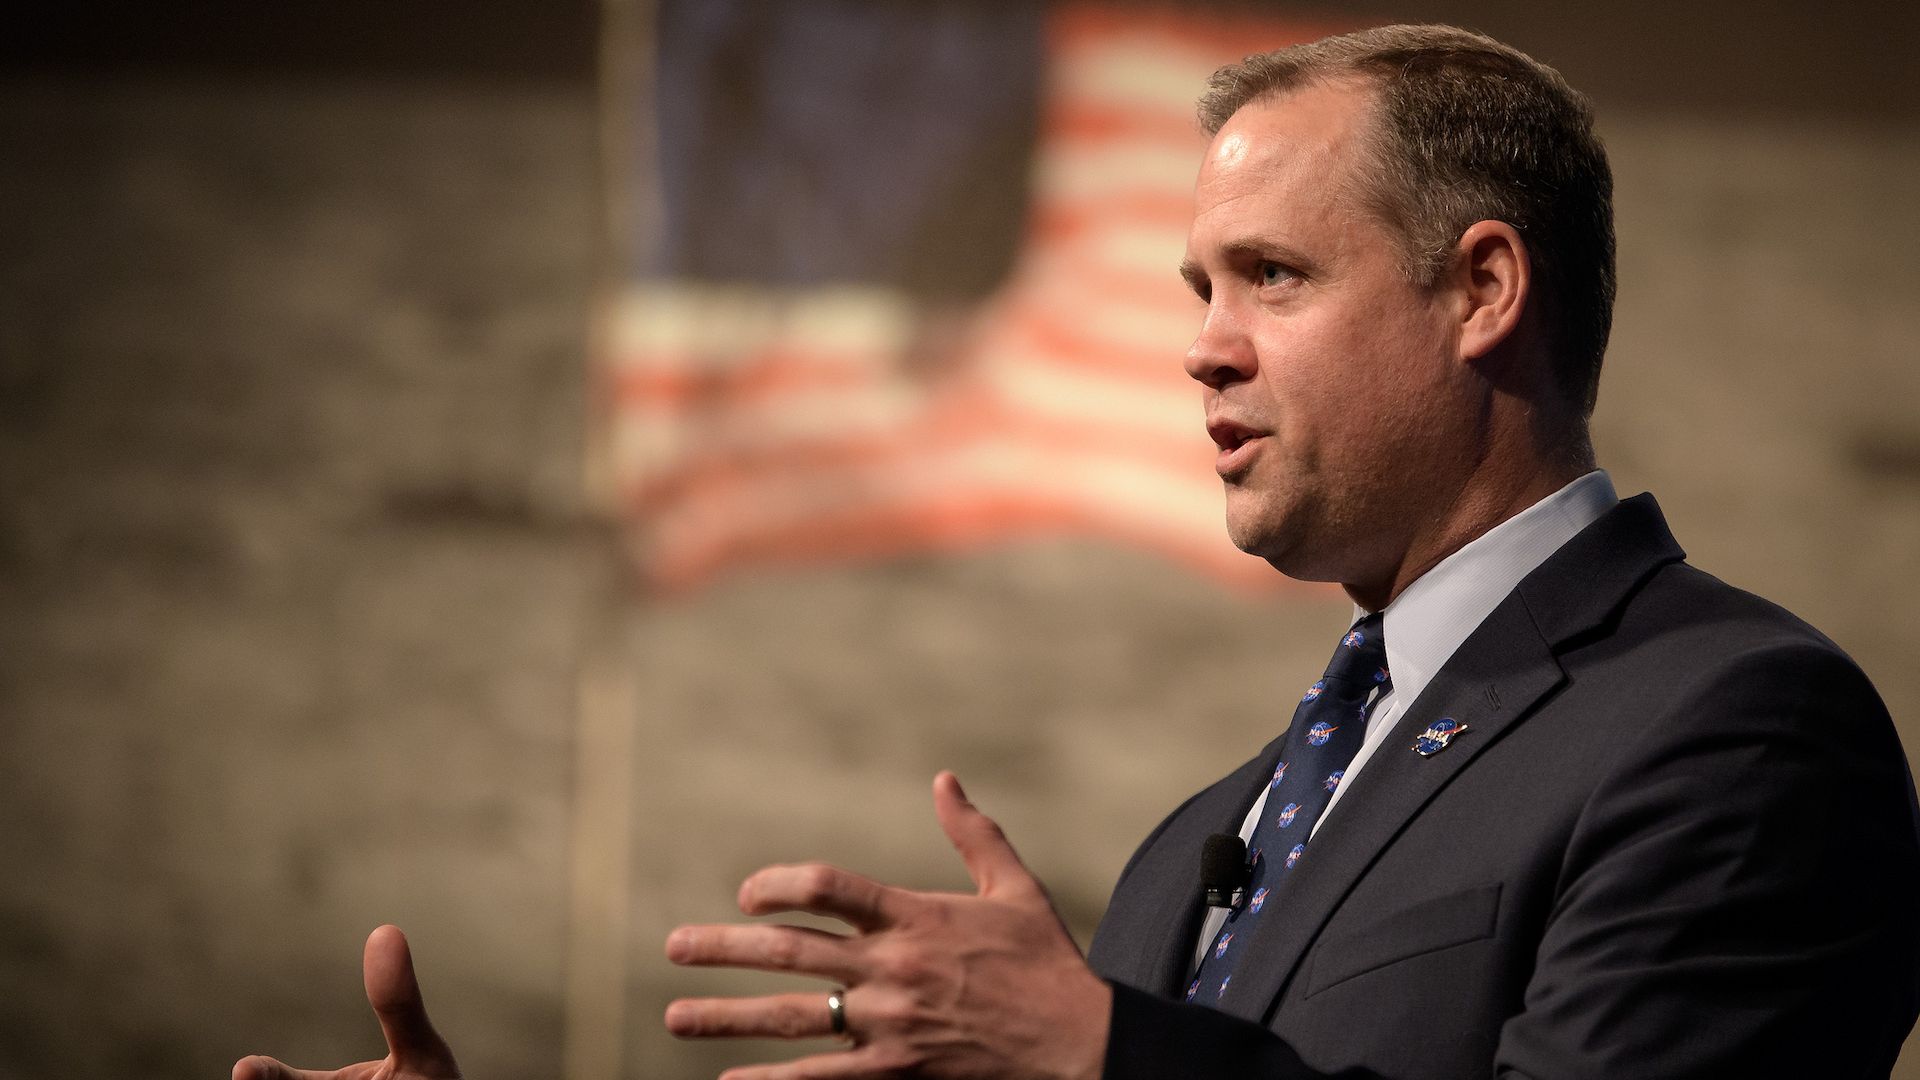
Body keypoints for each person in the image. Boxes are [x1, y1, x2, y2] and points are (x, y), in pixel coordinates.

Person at [232, 24, 1920, 1080]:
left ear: (1483, 290)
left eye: (1270, 275)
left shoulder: (1732, 727)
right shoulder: (1210, 833)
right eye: (1197, 287)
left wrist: (1103, 1054)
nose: (1200, 345)